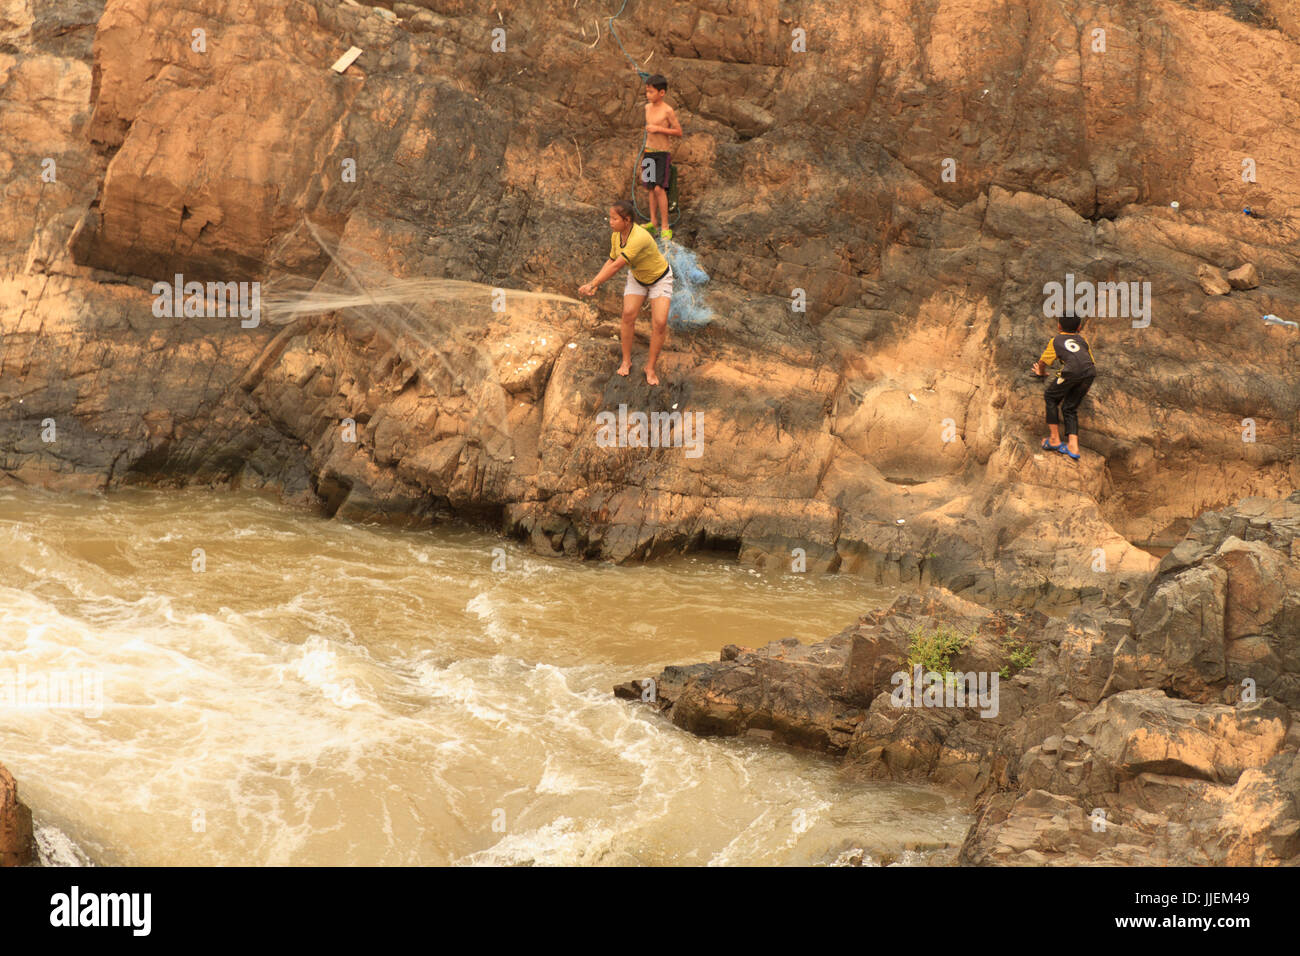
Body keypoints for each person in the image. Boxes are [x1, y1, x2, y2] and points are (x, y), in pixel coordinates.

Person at [578, 200, 673, 386]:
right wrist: (594, 283)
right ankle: (626, 360)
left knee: (660, 323)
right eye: (611, 218)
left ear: (627, 220)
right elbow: (611, 260)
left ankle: (650, 368)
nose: (610, 222)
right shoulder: (617, 235)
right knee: (628, 315)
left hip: (659, 279)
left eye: (614, 219)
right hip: (637, 278)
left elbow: (616, 267)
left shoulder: (639, 237)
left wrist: (594, 283)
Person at [1032, 312, 1096, 460]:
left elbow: (1043, 362)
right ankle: (1073, 446)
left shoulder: (1056, 340)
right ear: (1079, 327)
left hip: (1070, 373)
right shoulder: (1082, 340)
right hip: (1089, 373)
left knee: (1050, 397)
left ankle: (1054, 439)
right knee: (1069, 407)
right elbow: (1089, 361)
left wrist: (1041, 372)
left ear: (1059, 326)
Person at [640, 74, 682, 240]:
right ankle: (653, 222)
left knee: (659, 188)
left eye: (651, 92)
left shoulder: (668, 111)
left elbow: (678, 132)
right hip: (648, 152)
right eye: (647, 92)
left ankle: (665, 226)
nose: (648, 95)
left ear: (661, 92)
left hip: (662, 154)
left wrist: (659, 129)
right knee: (650, 188)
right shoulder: (647, 108)